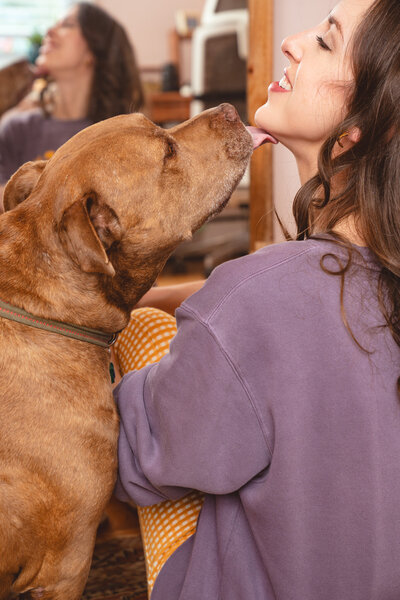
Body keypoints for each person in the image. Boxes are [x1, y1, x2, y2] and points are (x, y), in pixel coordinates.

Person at [113, 0, 400, 597]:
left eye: (326, 41)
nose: (292, 43)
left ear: (356, 132)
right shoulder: (309, 290)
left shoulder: (256, 301)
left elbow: (136, 457)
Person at [0, 2, 143, 209]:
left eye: (67, 25)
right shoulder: (17, 128)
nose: (49, 31)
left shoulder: (117, 138)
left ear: (92, 52)